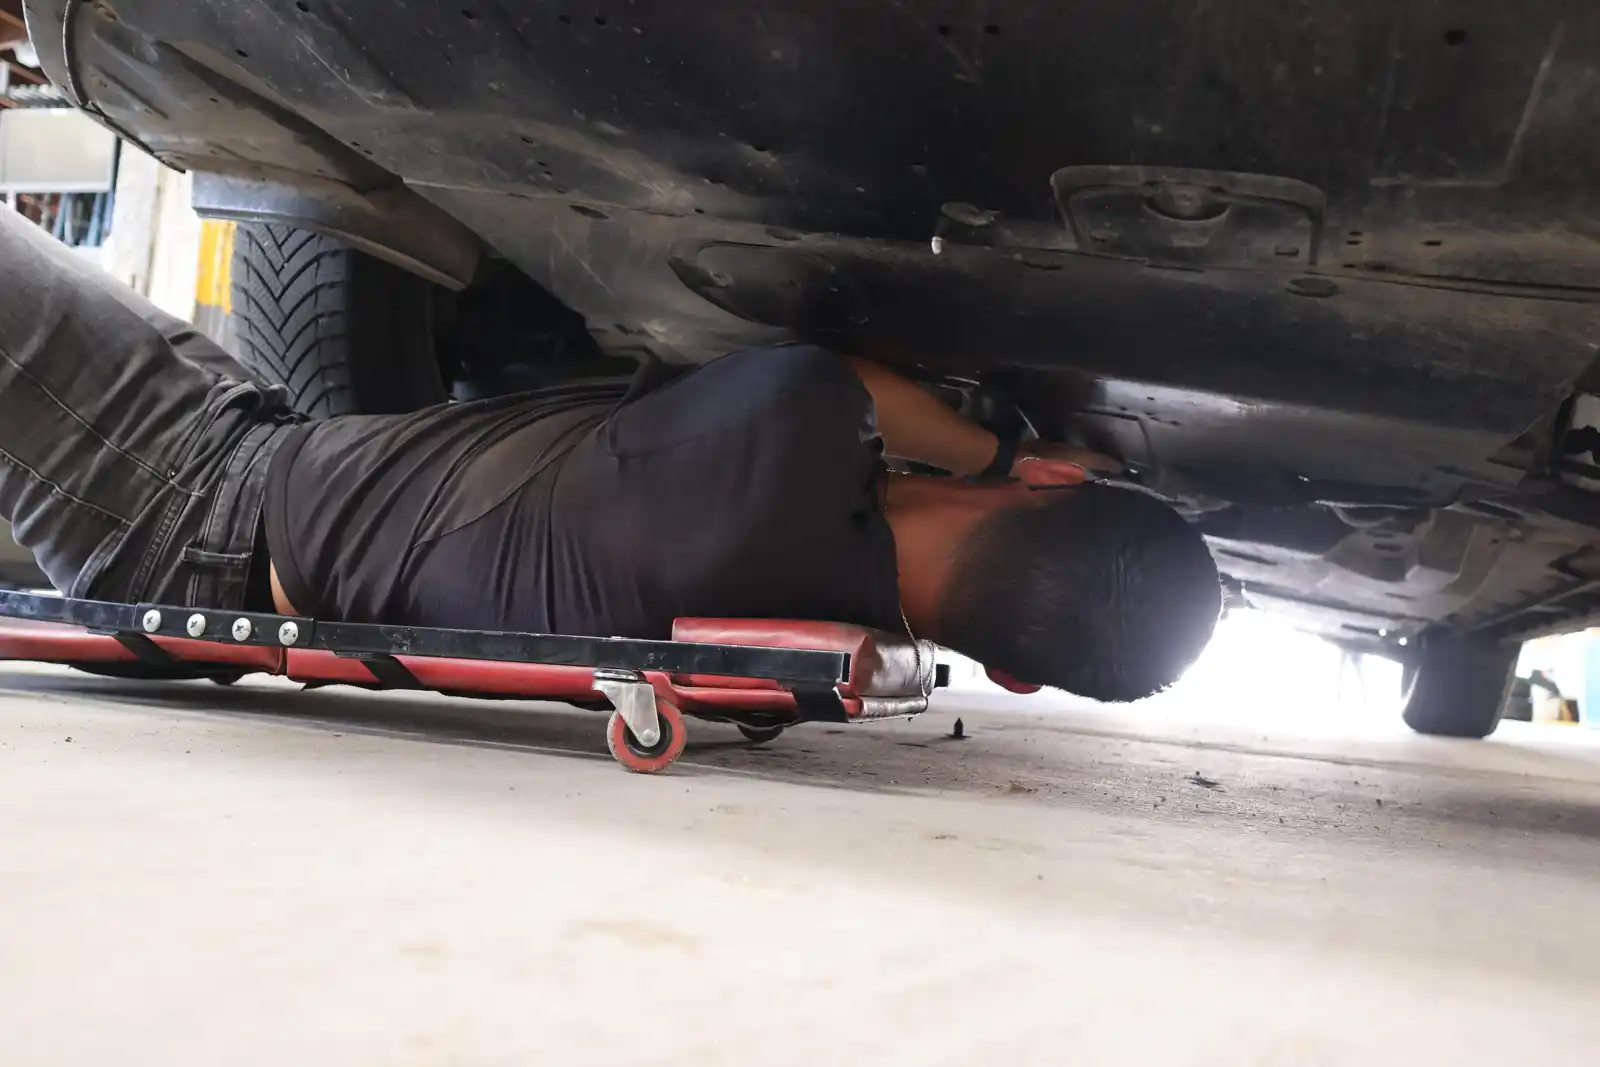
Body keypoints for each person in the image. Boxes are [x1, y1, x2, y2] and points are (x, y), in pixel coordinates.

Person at [0, 208, 1220, 702]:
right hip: (235, 491)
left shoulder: (787, 433)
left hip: (171, 487)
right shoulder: (800, 636)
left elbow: (849, 379)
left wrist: (999, 443)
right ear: (1010, 672)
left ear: (1057, 483)